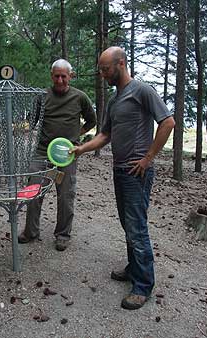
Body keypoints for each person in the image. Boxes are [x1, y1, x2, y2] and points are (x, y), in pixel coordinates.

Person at [72, 47, 175, 310]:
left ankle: (143, 286)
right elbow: (105, 135)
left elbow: (167, 123)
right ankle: (134, 268)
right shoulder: (115, 100)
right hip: (119, 170)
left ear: (121, 64)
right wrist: (81, 148)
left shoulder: (142, 91)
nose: (102, 73)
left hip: (136, 172)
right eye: (101, 69)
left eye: (105, 69)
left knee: (137, 228)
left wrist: (147, 158)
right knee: (128, 225)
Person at [18, 59, 96, 251]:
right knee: (33, 190)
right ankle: (31, 231)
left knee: (66, 195)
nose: (60, 80)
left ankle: (63, 234)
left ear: (70, 76)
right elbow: (31, 122)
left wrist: (76, 136)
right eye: (56, 76)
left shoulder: (80, 97)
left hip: (68, 154)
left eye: (64, 76)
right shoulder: (42, 96)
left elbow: (92, 121)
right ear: (51, 76)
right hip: (42, 152)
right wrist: (19, 128)